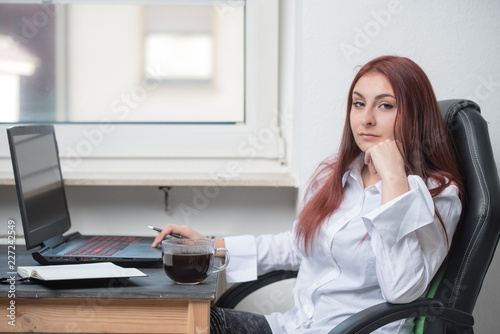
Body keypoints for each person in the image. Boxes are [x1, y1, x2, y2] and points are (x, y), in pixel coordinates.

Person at [152, 55, 465, 334]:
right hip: (293, 326)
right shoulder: (339, 173)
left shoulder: (439, 194)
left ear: (416, 115)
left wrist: (395, 178)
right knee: (178, 321)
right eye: (358, 103)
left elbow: (402, 291)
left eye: (385, 105)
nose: (366, 118)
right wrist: (208, 247)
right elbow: (296, 246)